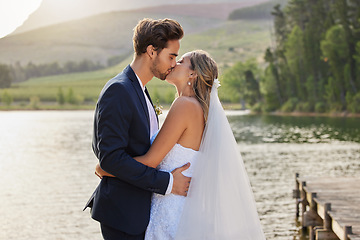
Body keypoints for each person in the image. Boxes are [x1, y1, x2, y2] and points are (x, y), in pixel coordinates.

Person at [96, 50, 266, 239]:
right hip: (182, 206)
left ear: (192, 74)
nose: (174, 63)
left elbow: (151, 161)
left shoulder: (185, 105)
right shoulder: (199, 108)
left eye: (181, 61)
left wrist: (106, 168)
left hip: (170, 207)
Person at [83, 18, 192, 240]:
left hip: (138, 213)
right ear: (152, 51)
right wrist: (168, 183)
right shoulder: (119, 90)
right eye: (171, 56)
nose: (173, 64)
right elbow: (111, 159)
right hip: (122, 215)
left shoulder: (139, 89)